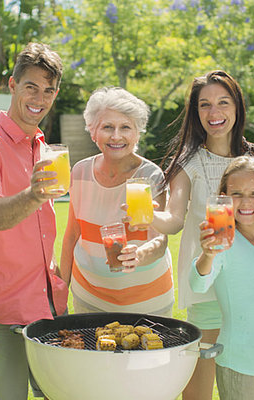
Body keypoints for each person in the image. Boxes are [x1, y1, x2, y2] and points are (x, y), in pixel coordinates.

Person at [150, 70, 254, 399]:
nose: (214, 113)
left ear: (237, 107)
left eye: (223, 103)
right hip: (207, 286)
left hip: (252, 290)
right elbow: (174, 219)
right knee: (199, 391)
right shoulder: (189, 161)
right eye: (204, 105)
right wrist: (146, 217)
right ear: (196, 113)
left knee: (252, 383)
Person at [0, 42, 66, 400]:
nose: (40, 97)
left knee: (61, 392)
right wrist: (34, 195)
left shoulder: (42, 145)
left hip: (47, 304)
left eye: (49, 90)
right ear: (12, 85)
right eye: (31, 87)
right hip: (1, 308)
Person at [59, 87, 174, 316]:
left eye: (125, 127)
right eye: (107, 127)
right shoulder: (80, 172)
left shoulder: (151, 176)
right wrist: (61, 290)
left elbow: (160, 240)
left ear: (137, 134)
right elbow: (72, 234)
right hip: (89, 298)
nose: (116, 136)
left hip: (147, 301)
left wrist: (139, 255)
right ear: (93, 132)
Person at [189, 156, 254, 400]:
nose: (246, 202)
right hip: (239, 362)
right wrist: (207, 255)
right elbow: (198, 282)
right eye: (237, 194)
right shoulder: (222, 244)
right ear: (224, 197)